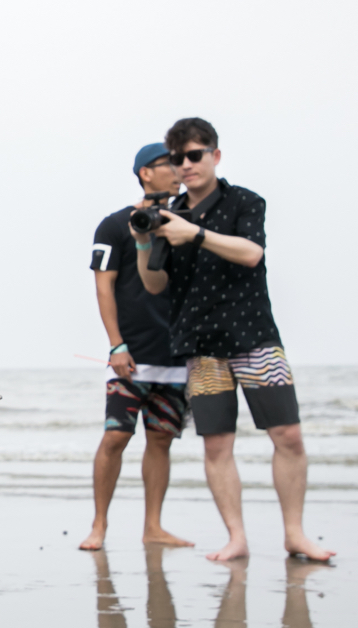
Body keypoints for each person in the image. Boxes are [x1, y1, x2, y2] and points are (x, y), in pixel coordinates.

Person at [133, 118, 334, 562]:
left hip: (254, 336)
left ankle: (295, 534)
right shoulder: (170, 213)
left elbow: (252, 253)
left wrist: (196, 234)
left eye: (194, 155)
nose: (186, 165)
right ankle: (236, 538)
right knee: (217, 443)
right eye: (177, 159)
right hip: (200, 345)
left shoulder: (245, 201)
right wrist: (144, 241)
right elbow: (153, 284)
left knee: (288, 435)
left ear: (215, 156)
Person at [79, 144, 192, 551]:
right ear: (145, 172)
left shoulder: (186, 225)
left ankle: (153, 527)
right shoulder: (115, 225)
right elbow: (103, 287)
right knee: (116, 436)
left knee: (161, 440)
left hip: (176, 354)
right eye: (169, 164)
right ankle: (99, 526)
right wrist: (117, 345)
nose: (179, 170)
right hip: (130, 354)